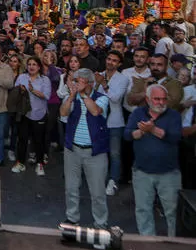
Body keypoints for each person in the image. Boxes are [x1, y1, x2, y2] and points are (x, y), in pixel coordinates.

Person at [124, 84, 182, 236]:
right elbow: (127, 135)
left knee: (173, 211)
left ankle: (175, 244)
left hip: (169, 173)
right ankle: (148, 244)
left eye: (164, 99)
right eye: (157, 99)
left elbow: (175, 137)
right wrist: (141, 132)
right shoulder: (138, 113)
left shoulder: (174, 115)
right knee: (143, 209)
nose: (161, 102)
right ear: (148, 99)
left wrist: (152, 130)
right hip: (142, 171)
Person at [59, 68, 110, 229]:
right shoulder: (71, 97)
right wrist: (73, 96)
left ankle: (100, 223)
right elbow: (63, 113)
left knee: (97, 192)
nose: (75, 84)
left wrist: (82, 95)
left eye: (78, 81)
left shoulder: (102, 98)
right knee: (71, 187)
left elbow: (95, 111)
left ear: (90, 83)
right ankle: (72, 217)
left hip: (95, 153)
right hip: (72, 150)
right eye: (74, 80)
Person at [94, 50, 128, 196]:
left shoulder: (123, 79)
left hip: (115, 121)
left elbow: (115, 98)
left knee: (114, 153)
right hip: (98, 119)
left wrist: (104, 84)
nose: (110, 62)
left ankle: (113, 180)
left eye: (114, 60)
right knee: (99, 152)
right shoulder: (99, 75)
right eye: (109, 59)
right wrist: (96, 83)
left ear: (119, 64)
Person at [11, 56, 51, 176]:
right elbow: (15, 93)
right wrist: (20, 91)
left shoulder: (45, 80)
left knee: (38, 140)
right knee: (22, 140)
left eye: (34, 64)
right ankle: (20, 163)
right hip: (24, 114)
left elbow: (46, 96)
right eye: (29, 64)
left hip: (39, 114)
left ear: (39, 67)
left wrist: (33, 91)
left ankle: (40, 164)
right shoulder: (22, 77)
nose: (31, 67)